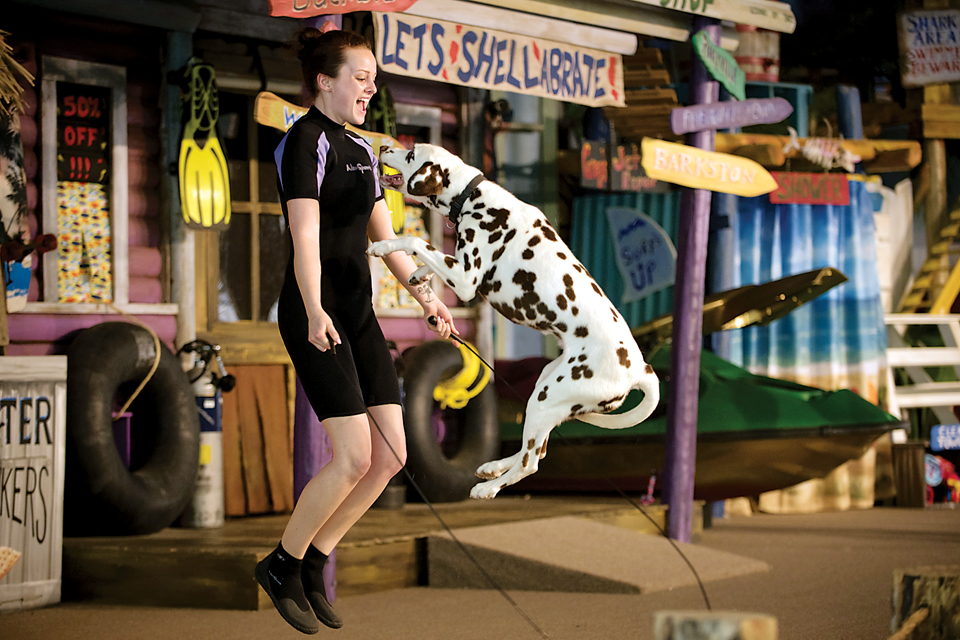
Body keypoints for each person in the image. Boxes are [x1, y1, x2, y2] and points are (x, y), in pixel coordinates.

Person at [257, 27, 458, 635]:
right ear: (326, 80)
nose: (371, 88)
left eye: (375, 77)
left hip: (360, 314)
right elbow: (306, 239)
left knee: (391, 455)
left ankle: (315, 559)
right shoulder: (304, 144)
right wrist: (315, 309)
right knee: (351, 457)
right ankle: (280, 564)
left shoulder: (364, 150)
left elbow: (386, 239)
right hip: (315, 312)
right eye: (361, 76)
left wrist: (427, 298)